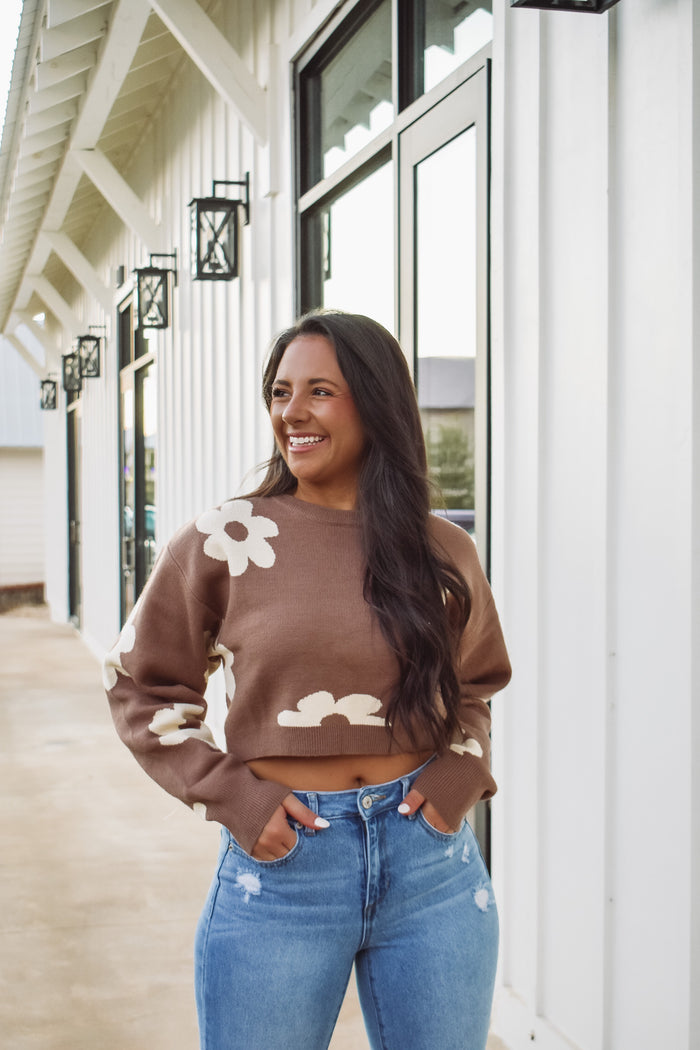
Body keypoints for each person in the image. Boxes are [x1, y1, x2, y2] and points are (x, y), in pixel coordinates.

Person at [104, 310, 511, 1050]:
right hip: (284, 871)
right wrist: (231, 794)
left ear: (376, 401)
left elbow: (475, 681)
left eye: (320, 390)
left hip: (432, 870)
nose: (291, 412)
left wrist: (462, 772)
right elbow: (141, 685)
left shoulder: (442, 549)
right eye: (280, 391)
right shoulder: (225, 540)